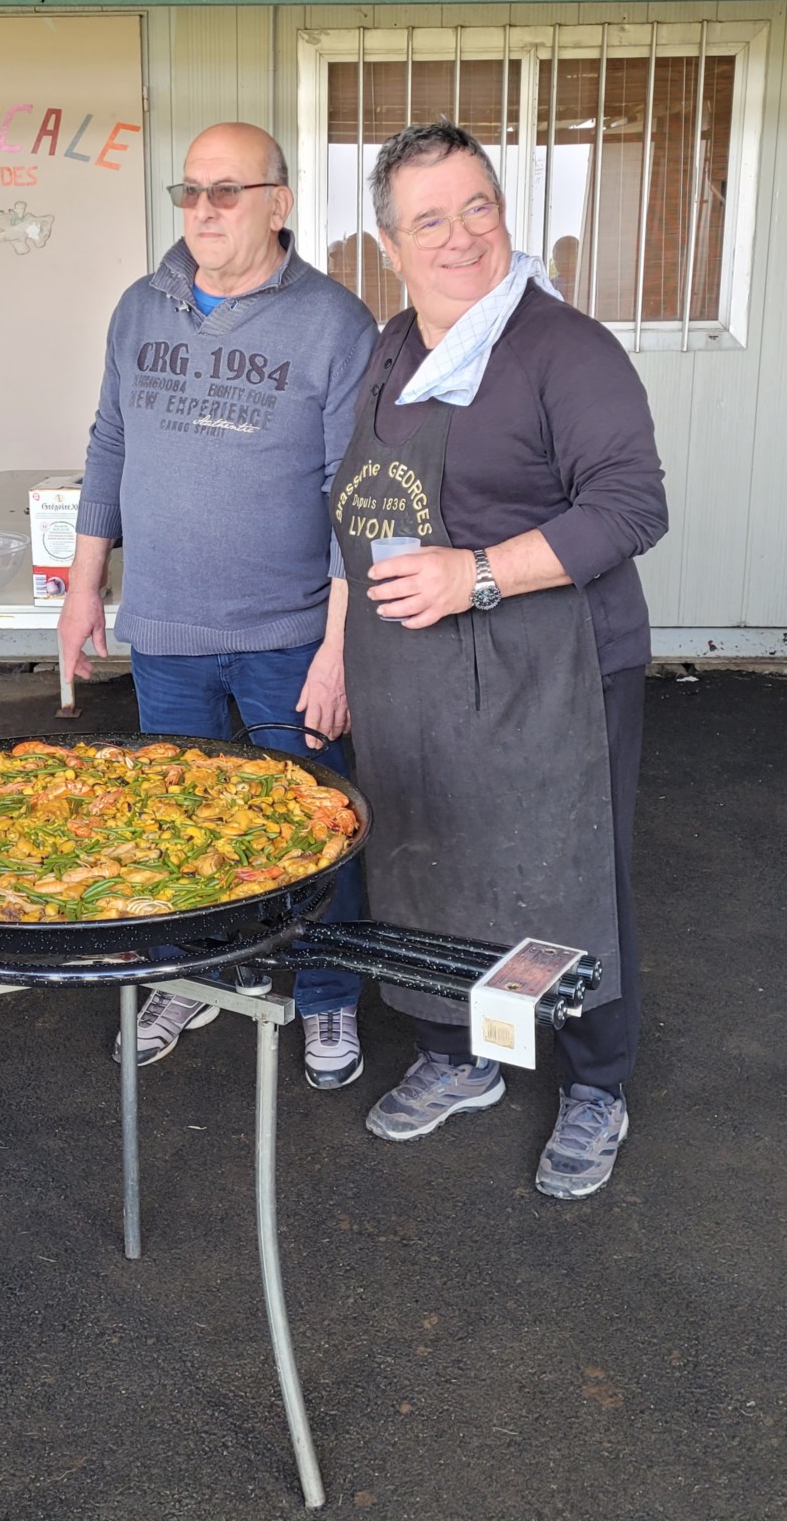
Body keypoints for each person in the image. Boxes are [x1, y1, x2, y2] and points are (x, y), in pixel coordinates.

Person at [328, 120, 668, 1198]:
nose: (461, 235)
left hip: (552, 669)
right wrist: (337, 653)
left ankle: (595, 1081)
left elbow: (631, 506)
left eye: (477, 205)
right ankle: (461, 1053)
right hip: (414, 676)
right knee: (433, 861)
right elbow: (361, 514)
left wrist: (473, 575)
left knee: (566, 871)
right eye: (429, 219)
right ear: (391, 245)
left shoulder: (564, 348)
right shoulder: (394, 347)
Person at [58, 121, 378, 1089]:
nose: (204, 210)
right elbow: (109, 443)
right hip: (166, 627)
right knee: (173, 820)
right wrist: (82, 587)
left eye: (227, 191)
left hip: (288, 634)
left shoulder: (334, 323)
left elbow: (354, 497)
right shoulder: (140, 307)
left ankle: (325, 993)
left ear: (278, 204)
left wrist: (338, 652)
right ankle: (189, 974)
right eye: (191, 191)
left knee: (312, 825)